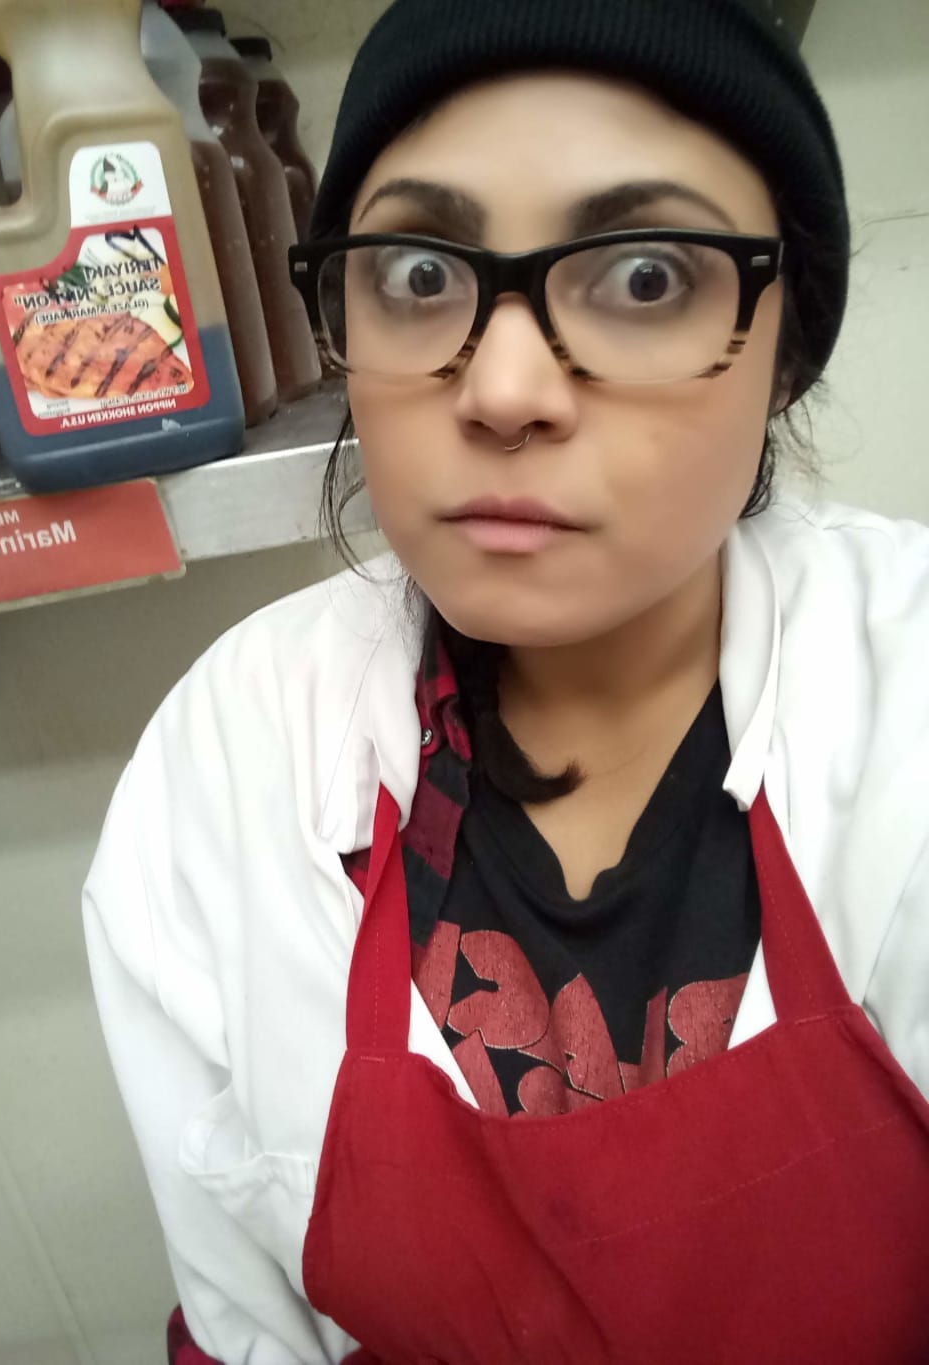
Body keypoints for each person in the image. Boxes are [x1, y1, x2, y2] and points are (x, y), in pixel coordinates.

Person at [82, 1, 929, 1362]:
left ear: (790, 348)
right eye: (419, 274)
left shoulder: (907, 700)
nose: (506, 387)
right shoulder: (231, 758)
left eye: (645, 277)